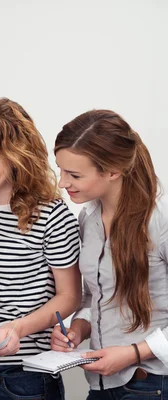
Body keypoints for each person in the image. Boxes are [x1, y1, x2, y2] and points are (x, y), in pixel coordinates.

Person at [0, 98, 82, 400]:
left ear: (17, 158)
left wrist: (20, 329)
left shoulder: (51, 216)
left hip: (26, 376)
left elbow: (70, 295)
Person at [51, 109, 168, 399]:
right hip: (104, 387)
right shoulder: (88, 218)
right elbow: (99, 298)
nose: (62, 182)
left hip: (151, 384)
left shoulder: (160, 218)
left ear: (113, 171)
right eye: (61, 170)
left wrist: (134, 353)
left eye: (74, 174)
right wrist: (78, 328)